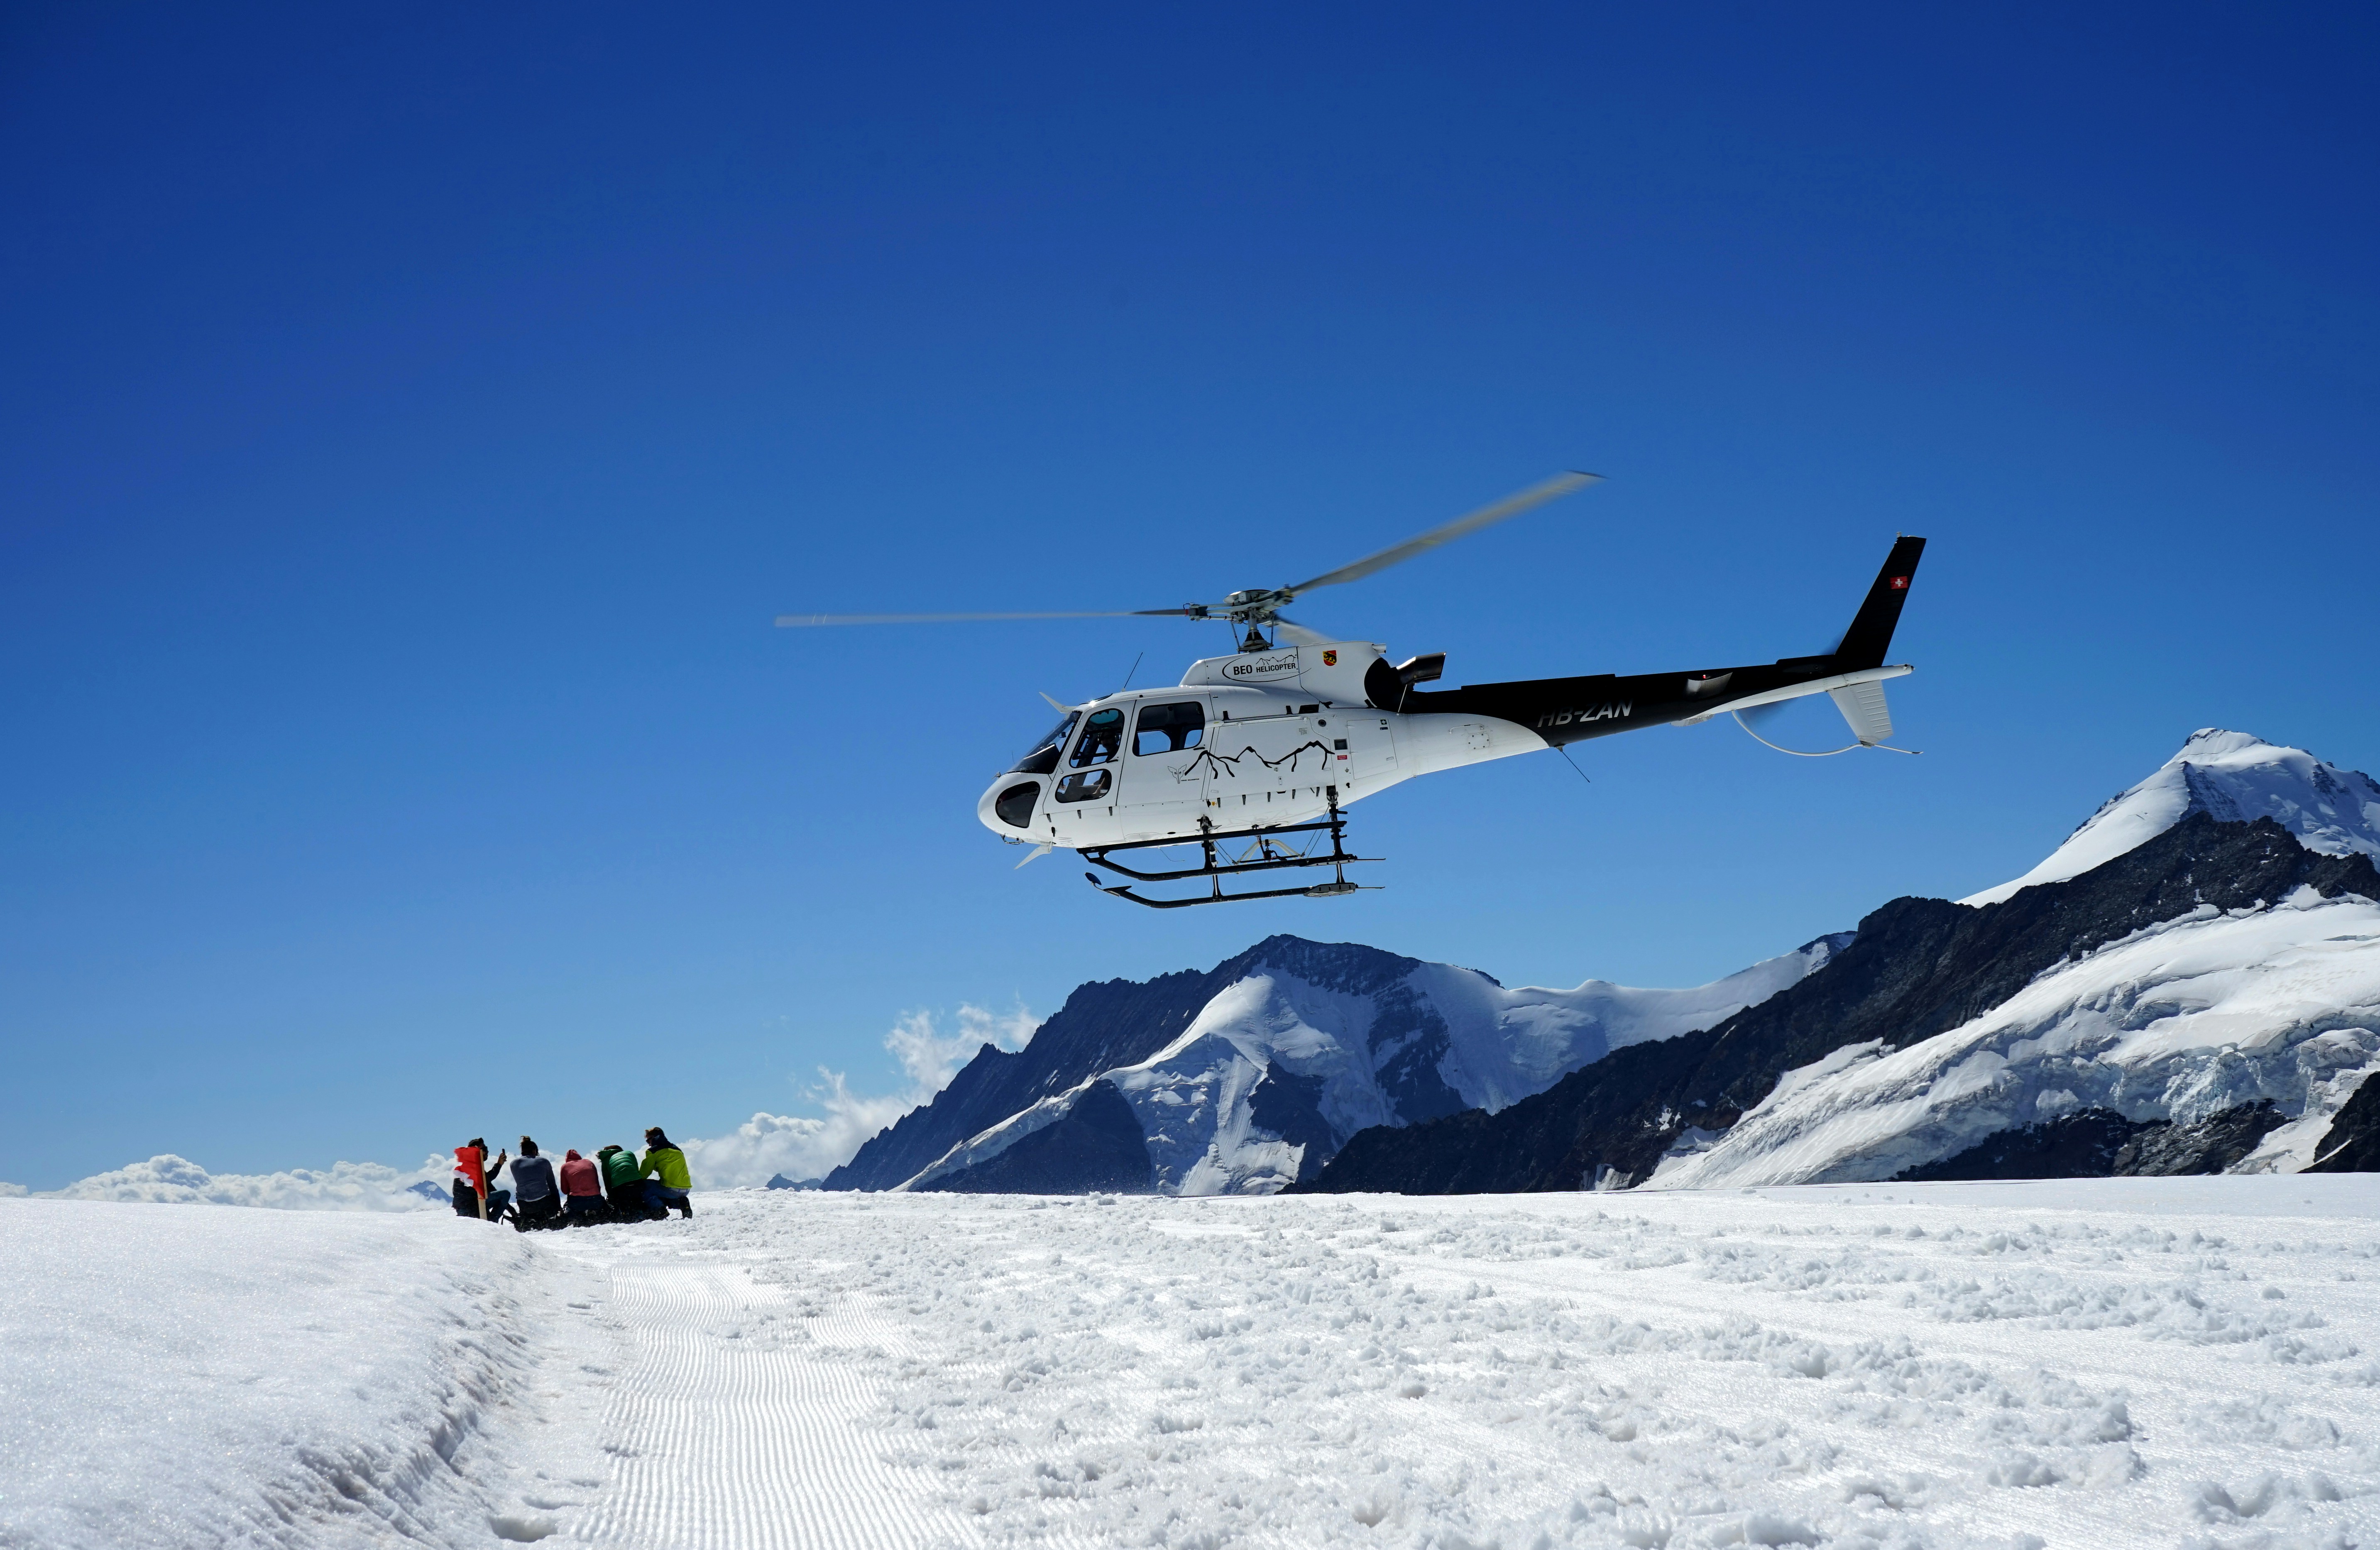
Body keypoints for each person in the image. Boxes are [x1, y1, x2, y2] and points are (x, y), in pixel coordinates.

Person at [451, 1138, 513, 1223]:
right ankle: (492, 1223)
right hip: (471, 1207)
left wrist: (513, 1212)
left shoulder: (469, 1165)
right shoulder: (471, 1166)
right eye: (484, 1150)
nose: (487, 1152)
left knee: (502, 1195)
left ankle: (491, 1222)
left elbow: (490, 1188)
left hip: (467, 1207)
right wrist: (498, 1165)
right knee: (505, 1194)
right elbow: (485, 1181)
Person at [638, 1127, 694, 1219]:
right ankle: (681, 1203)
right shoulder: (677, 1150)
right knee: (662, 1188)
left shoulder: (653, 1152)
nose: (649, 1145)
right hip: (686, 1189)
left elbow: (644, 1174)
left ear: (654, 1138)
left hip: (671, 1189)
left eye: (648, 1141)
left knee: (644, 1185)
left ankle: (659, 1210)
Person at [509, 1137, 564, 1230]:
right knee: (548, 1197)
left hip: (524, 1205)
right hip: (543, 1203)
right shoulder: (543, 1162)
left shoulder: (514, 1164)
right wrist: (558, 1207)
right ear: (535, 1151)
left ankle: (528, 1220)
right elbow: (552, 1186)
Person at [598, 1144, 652, 1220]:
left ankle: (626, 1214)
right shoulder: (629, 1153)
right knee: (637, 1199)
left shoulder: (606, 1160)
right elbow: (636, 1170)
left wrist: (611, 1197)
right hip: (637, 1183)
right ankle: (643, 1212)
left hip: (620, 1188)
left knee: (623, 1201)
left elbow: (607, 1181)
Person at [558, 1148, 607, 1224]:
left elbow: (565, 1191)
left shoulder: (565, 1167)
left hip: (577, 1202)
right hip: (596, 1199)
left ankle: (577, 1219)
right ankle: (593, 1212)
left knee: (571, 1210)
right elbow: (597, 1185)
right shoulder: (589, 1162)